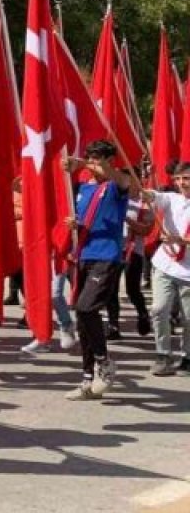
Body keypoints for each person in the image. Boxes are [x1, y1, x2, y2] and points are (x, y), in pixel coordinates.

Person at [57, 141, 139, 401]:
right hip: (83, 256)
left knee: (86, 308)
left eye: (99, 159)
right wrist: (74, 224)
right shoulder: (83, 188)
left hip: (107, 257)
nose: (93, 163)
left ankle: (104, 362)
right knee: (82, 320)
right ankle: (87, 378)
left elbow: (125, 181)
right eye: (91, 158)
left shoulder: (115, 185)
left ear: (110, 161)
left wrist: (89, 165)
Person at [147, 161, 190, 376]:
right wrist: (146, 194)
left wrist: (180, 240)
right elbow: (155, 197)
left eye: (187, 179)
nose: (182, 183)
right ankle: (163, 354)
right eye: (178, 179)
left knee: (188, 318)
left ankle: (187, 357)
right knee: (159, 309)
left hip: (188, 272)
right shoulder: (172, 198)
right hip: (164, 265)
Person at [107, 180, 154, 340]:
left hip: (134, 251)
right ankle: (113, 325)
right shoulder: (115, 198)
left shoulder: (144, 203)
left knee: (132, 290)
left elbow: (146, 230)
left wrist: (126, 219)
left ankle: (143, 314)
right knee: (111, 289)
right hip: (113, 250)